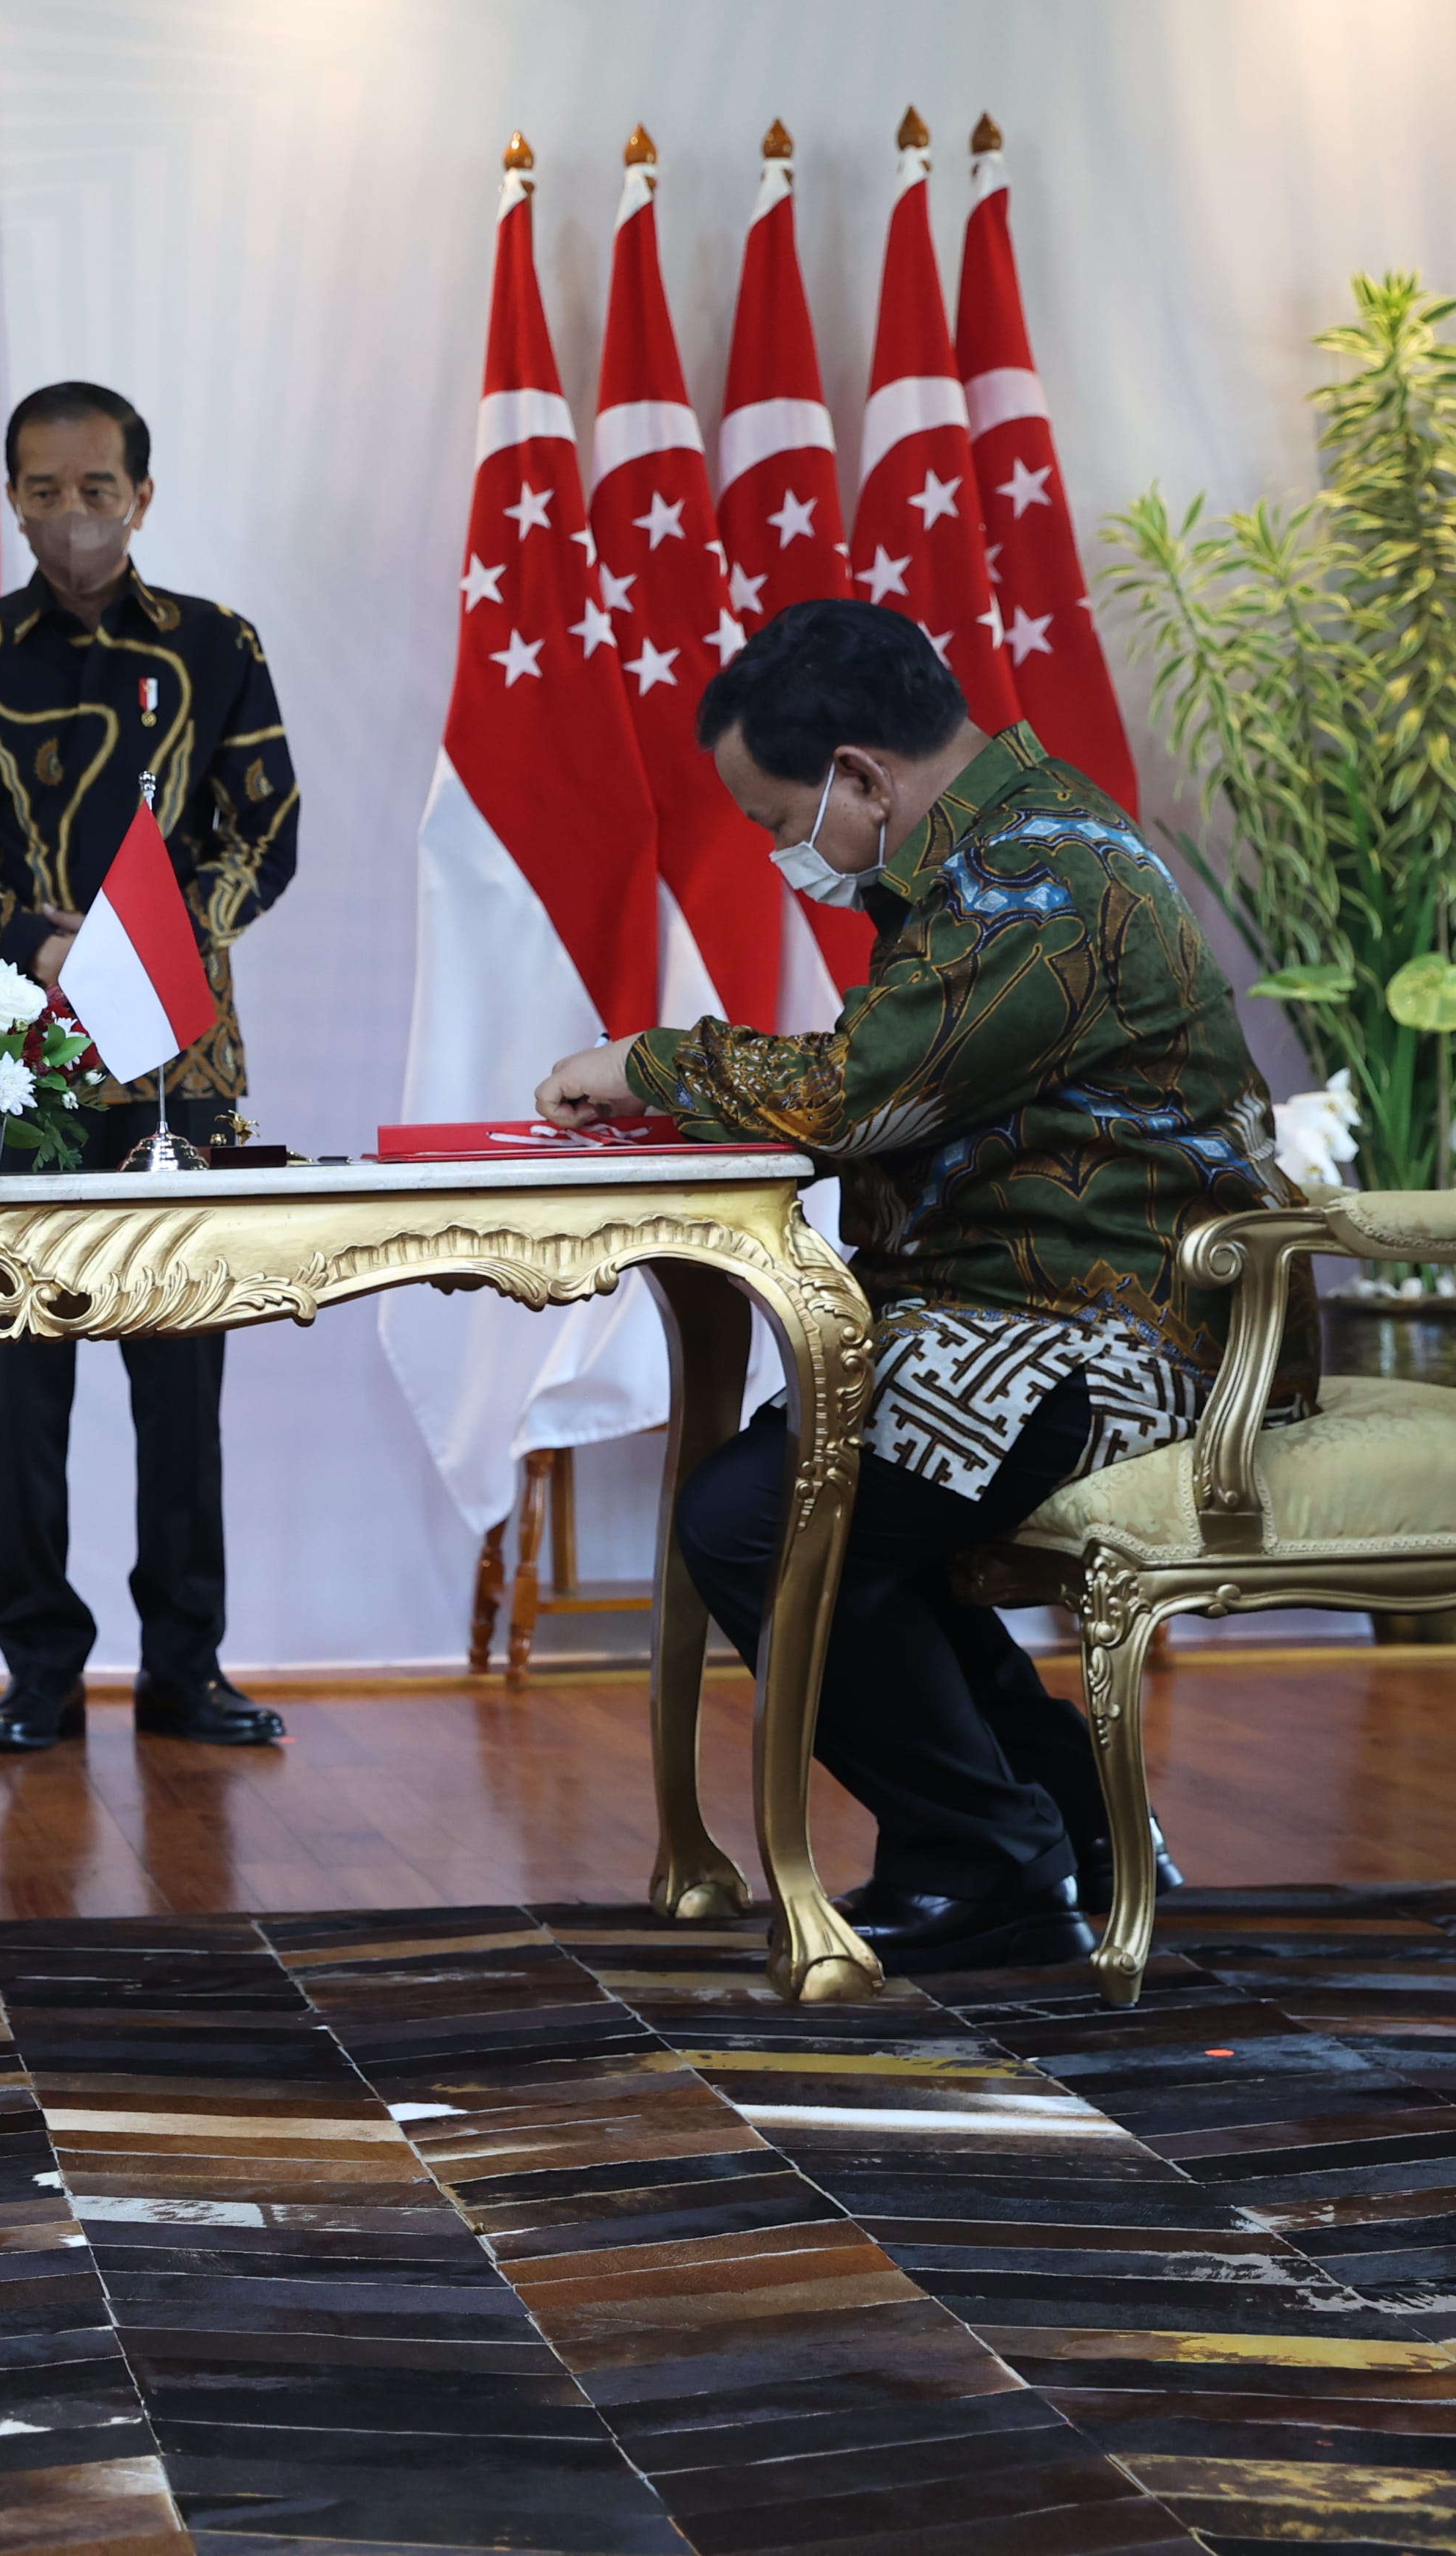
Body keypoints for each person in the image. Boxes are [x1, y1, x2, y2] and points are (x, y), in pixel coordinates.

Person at [538, 597, 1277, 1974]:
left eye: (777, 818)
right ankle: (1068, 1817)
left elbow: (853, 1094)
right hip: (1028, 1309)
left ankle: (989, 1857)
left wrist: (645, 1063)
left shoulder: (1041, 883)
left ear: (863, 777)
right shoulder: (997, 853)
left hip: (1127, 1333)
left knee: (763, 1515)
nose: (778, 853)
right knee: (804, 1504)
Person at [0, 381, 302, 1755]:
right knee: (24, 1383)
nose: (71, 516)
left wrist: (158, 940)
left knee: (180, 1382)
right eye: (43, 491)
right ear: (13, 496)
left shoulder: (213, 646)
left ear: (142, 492)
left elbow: (270, 828)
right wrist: (32, 939)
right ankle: (40, 1673)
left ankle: (186, 1667)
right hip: (12, 1060)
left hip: (180, 1051)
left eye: (96, 490)